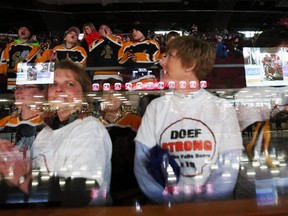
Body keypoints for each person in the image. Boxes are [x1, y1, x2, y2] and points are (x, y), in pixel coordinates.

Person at [134, 36, 243, 204]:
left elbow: (228, 168)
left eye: (170, 56)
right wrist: (168, 204)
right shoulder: (156, 107)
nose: (162, 62)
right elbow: (143, 165)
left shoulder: (222, 108)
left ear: (190, 64)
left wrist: (201, 208)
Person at [0, 60, 112, 207]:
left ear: (84, 95)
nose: (59, 89)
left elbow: (82, 192)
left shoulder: (90, 128)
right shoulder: (47, 132)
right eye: (53, 84)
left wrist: (23, 176)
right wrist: (11, 160)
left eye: (69, 84)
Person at [93, 72, 146, 205]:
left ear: (122, 97)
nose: (109, 97)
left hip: (129, 182)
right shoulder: (94, 122)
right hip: (101, 179)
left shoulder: (134, 120)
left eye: (114, 93)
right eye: (106, 94)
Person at [118, 22, 162, 90]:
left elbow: (155, 58)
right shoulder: (127, 45)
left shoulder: (152, 44)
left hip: (149, 81)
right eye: (132, 31)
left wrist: (137, 57)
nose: (134, 32)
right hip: (132, 82)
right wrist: (127, 56)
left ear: (143, 31)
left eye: (137, 30)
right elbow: (120, 60)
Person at [0, 25, 40, 92]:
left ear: (30, 34)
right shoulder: (10, 46)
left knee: (27, 94)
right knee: (13, 93)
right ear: (18, 32)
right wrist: (2, 73)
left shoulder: (36, 48)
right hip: (12, 74)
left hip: (29, 75)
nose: (23, 30)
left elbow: (39, 62)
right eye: (21, 29)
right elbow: (4, 59)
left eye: (26, 29)